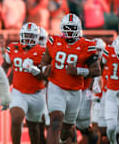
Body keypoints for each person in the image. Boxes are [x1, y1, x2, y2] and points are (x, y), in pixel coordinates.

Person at [41, 13, 101, 143]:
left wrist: (78, 71)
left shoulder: (87, 45)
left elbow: (96, 70)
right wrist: (44, 69)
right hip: (56, 87)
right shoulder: (54, 41)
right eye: (67, 28)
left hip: (75, 91)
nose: (69, 31)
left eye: (72, 28)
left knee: (66, 131)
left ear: (78, 29)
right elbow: (44, 62)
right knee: (55, 121)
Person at [2, 22, 46, 144]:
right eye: (26, 35)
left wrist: (34, 70)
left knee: (34, 127)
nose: (28, 38)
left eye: (31, 36)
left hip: (37, 93)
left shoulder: (43, 51)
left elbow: (47, 76)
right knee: (16, 119)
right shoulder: (13, 48)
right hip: (18, 92)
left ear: (36, 38)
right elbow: (5, 66)